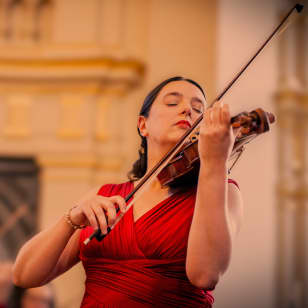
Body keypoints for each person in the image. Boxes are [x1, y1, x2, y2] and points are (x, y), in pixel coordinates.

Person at [12, 76, 243, 307]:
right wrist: (72, 218)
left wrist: (214, 163)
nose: (186, 110)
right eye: (173, 103)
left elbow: (205, 275)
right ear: (143, 125)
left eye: (198, 109)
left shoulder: (222, 191)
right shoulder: (105, 194)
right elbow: (24, 275)